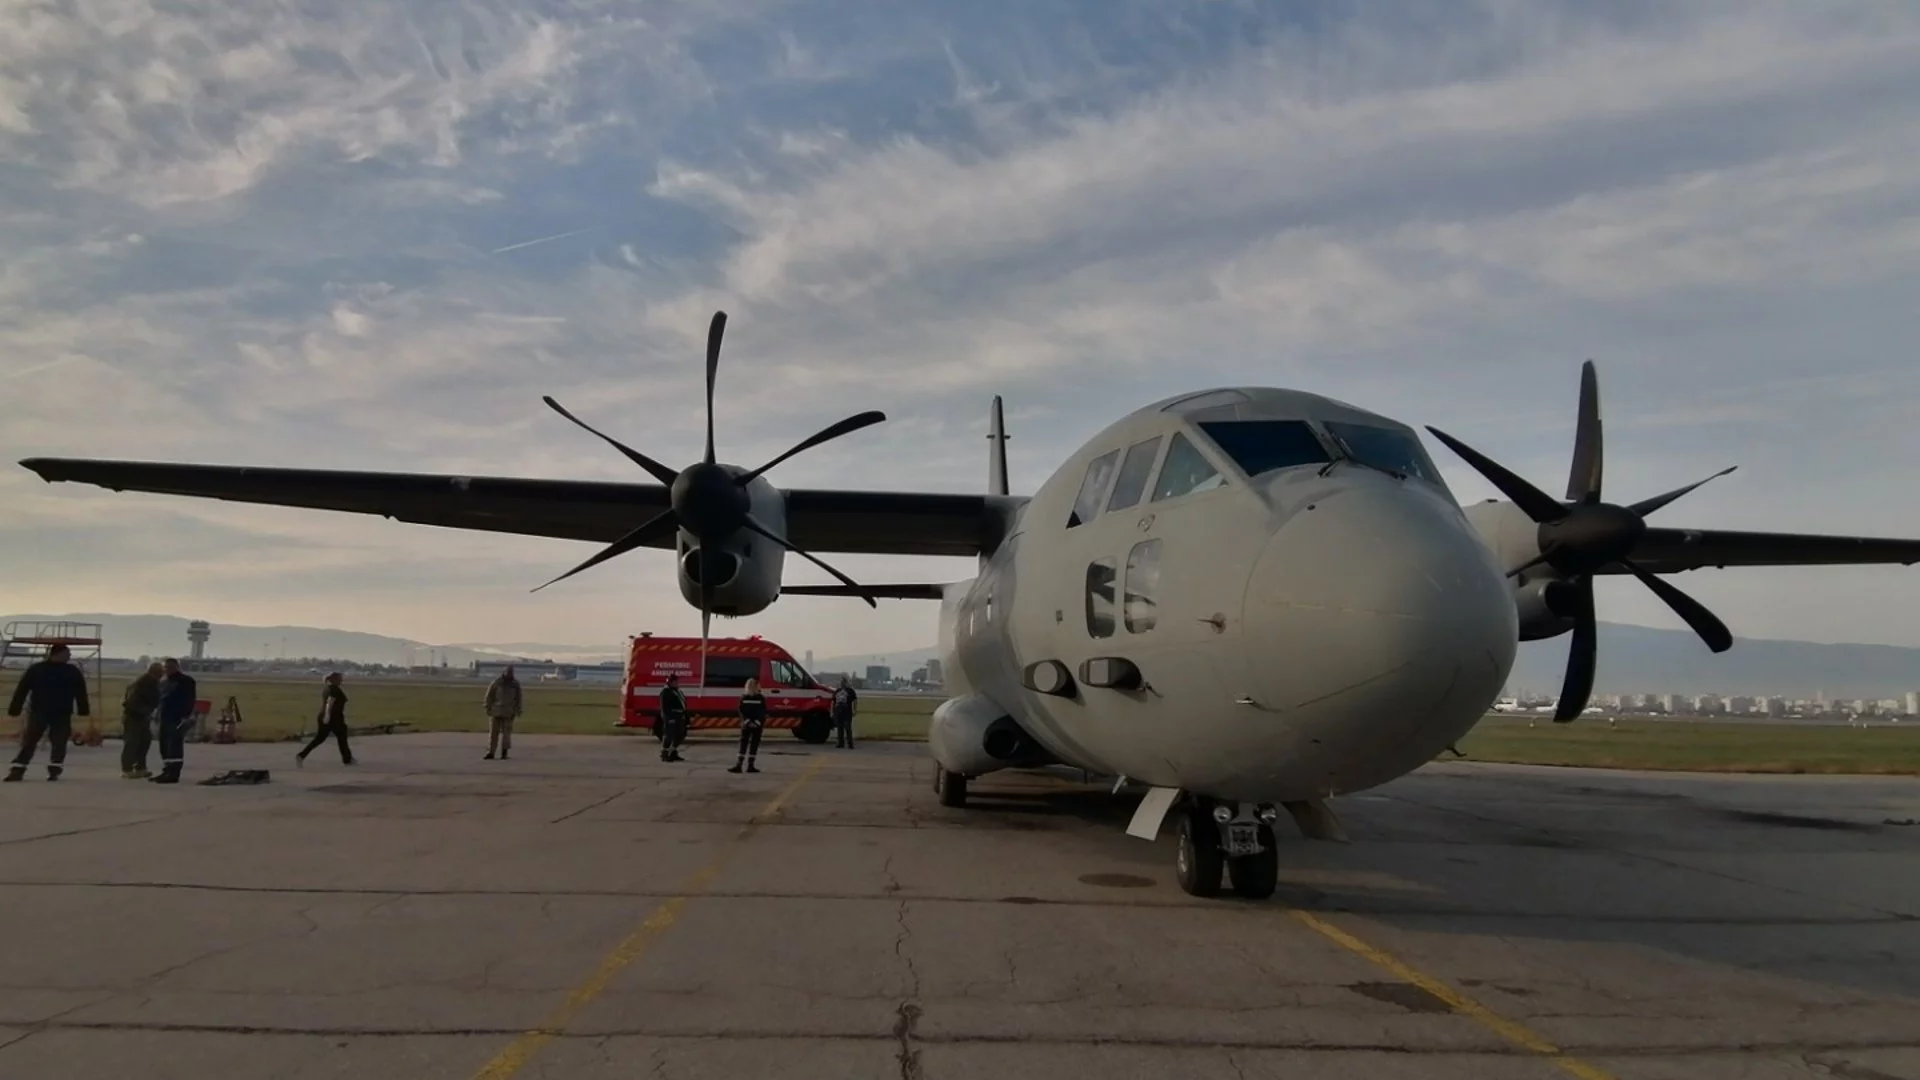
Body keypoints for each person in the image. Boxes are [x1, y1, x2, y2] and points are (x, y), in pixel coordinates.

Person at [5, 643, 91, 782]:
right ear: (58, 654)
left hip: (62, 713)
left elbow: (80, 691)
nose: (69, 657)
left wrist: (83, 710)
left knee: (59, 742)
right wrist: (15, 708)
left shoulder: (72, 671)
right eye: (67, 654)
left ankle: (54, 770)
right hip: (39, 712)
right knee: (30, 741)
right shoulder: (37, 669)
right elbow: (22, 689)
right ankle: (18, 769)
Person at [150, 657, 196, 784]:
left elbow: (189, 699)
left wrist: (186, 716)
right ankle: (166, 771)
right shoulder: (164, 682)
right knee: (164, 745)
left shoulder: (186, 681)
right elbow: (160, 700)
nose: (167, 670)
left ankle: (174, 773)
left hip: (177, 718)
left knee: (174, 746)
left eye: (170, 667)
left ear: (176, 667)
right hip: (164, 717)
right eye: (165, 667)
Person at [297, 672, 355, 767]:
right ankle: (347, 760)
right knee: (341, 737)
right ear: (334, 679)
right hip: (332, 718)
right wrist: (327, 716)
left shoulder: (328, 688)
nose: (341, 680)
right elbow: (329, 703)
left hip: (330, 717)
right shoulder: (333, 689)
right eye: (339, 678)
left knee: (321, 738)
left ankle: (301, 755)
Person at [120, 661, 164, 778]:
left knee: (144, 742)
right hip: (133, 717)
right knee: (132, 743)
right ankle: (127, 769)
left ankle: (140, 767)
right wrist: (145, 711)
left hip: (143, 717)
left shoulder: (153, 683)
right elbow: (130, 702)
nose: (162, 675)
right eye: (160, 673)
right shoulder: (142, 683)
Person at [482, 665, 522, 760]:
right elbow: (489, 696)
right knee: (493, 733)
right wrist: (487, 707)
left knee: (506, 734)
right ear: (503, 672)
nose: (509, 674)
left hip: (508, 713)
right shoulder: (496, 683)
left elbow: (519, 698)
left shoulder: (515, 685)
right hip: (496, 711)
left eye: (511, 672)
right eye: (508, 672)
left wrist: (517, 710)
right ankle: (491, 752)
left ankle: (504, 752)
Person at [728, 677, 766, 774]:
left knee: (743, 744)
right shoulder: (761, 698)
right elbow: (762, 712)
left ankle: (739, 765)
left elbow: (741, 711)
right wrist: (757, 722)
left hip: (746, 725)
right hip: (757, 725)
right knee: (754, 744)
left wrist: (748, 721)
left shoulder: (743, 697)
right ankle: (750, 766)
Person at [658, 673, 688, 763]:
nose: (676, 683)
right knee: (669, 735)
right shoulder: (665, 692)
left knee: (680, 735)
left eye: (676, 681)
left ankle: (673, 752)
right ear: (669, 682)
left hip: (679, 716)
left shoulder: (677, 691)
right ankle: (664, 753)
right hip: (671, 717)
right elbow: (664, 707)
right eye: (674, 681)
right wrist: (668, 717)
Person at [830, 676, 858, 749]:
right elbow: (833, 701)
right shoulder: (837, 691)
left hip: (847, 711)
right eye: (841, 682)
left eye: (844, 682)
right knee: (840, 728)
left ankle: (850, 743)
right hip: (838, 710)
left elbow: (855, 701)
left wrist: (854, 709)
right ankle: (840, 743)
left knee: (847, 727)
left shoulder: (850, 691)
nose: (842, 683)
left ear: (846, 683)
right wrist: (832, 711)